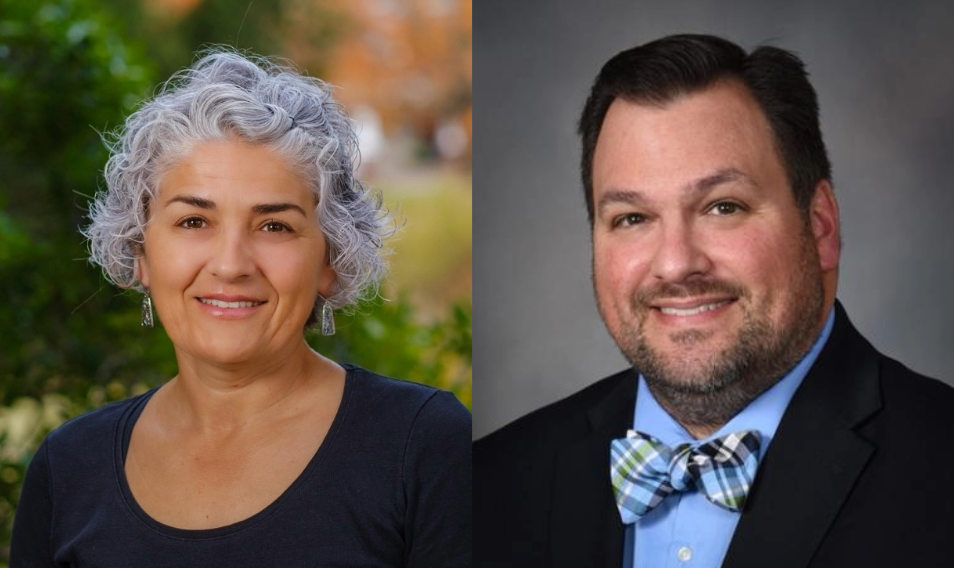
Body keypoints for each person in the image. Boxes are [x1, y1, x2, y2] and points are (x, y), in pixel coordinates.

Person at [474, 34, 954, 568]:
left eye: (723, 207)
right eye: (632, 218)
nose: (676, 264)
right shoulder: (488, 482)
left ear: (821, 226)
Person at [11, 49, 471, 567]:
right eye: (193, 222)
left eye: (274, 226)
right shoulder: (68, 467)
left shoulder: (425, 447)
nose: (230, 265)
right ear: (139, 251)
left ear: (331, 259)